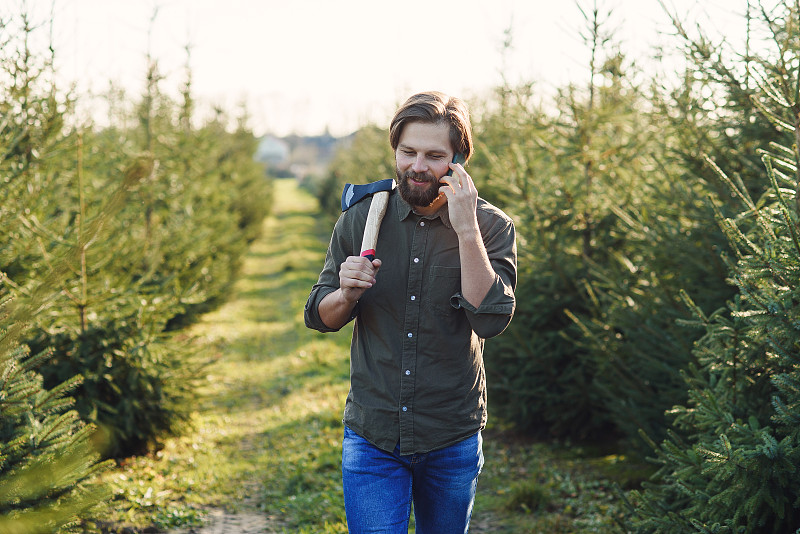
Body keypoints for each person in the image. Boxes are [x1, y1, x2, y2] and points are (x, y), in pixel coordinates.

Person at [304, 91, 517, 533]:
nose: (418, 166)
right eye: (409, 152)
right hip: (373, 434)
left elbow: (490, 319)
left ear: (458, 161)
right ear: (396, 152)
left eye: (434, 155)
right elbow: (320, 316)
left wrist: (465, 228)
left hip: (450, 435)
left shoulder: (491, 226)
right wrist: (345, 293)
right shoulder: (362, 218)